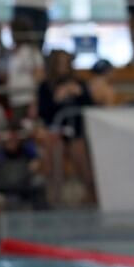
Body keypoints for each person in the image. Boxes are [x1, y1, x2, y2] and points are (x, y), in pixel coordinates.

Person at [36, 50, 95, 206]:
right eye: (59, 64)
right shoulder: (45, 87)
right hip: (55, 131)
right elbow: (43, 112)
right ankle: (55, 196)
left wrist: (80, 94)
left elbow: (91, 107)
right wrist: (56, 99)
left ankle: (90, 193)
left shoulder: (79, 83)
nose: (62, 67)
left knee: (79, 150)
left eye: (65, 63)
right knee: (55, 150)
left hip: (77, 131)